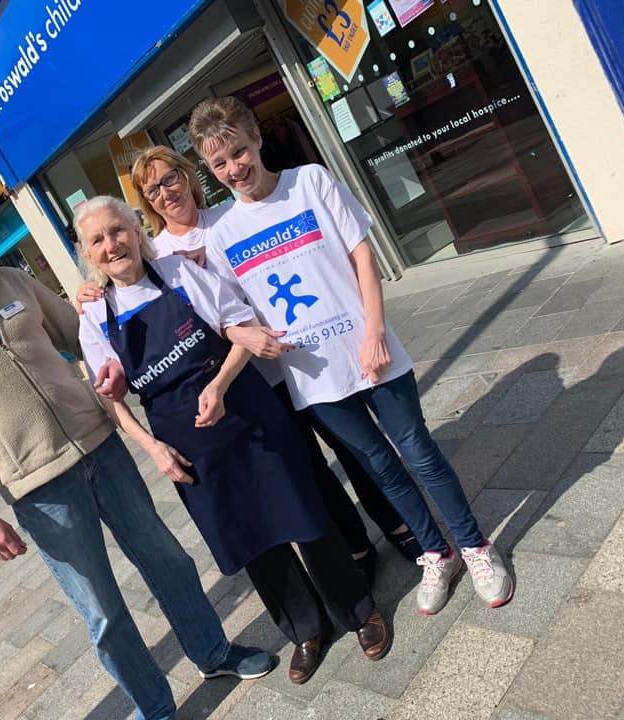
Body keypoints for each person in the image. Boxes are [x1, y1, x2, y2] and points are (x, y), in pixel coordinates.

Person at [0, 189, 272, 720]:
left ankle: (213, 652)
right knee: (102, 611)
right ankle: (156, 709)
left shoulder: (9, 279)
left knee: (168, 561)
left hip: (101, 446)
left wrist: (110, 300)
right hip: (38, 486)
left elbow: (84, 333)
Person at [188, 96, 514, 615]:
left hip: (368, 350)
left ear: (256, 136)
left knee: (419, 453)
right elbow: (230, 311)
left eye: (238, 152)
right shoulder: (223, 232)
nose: (234, 170)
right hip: (312, 375)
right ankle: (437, 551)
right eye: (219, 164)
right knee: (380, 467)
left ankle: (476, 546)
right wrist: (250, 336)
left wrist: (374, 330)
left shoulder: (310, 182)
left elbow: (362, 252)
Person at [75, 195, 392, 684]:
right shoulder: (95, 317)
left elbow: (241, 330)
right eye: (98, 239)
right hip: (185, 442)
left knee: (302, 511)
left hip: (243, 406)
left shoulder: (180, 274)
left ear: (137, 233)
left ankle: (357, 611)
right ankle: (305, 630)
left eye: (118, 231)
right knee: (248, 536)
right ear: (87, 253)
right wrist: (152, 448)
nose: (112, 244)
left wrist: (219, 387)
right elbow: (111, 401)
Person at [76, 145, 421, 581]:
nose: (166, 193)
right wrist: (86, 292)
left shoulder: (230, 215)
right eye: (153, 190)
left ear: (188, 177)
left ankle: (399, 525)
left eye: (171, 179)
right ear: (145, 206)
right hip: (250, 386)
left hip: (296, 361)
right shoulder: (157, 255)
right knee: (309, 471)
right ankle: (356, 549)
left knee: (351, 447)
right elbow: (124, 294)